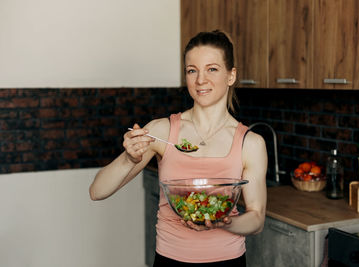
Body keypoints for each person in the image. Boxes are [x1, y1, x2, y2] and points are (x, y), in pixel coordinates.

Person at [89, 30, 267, 267]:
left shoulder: (251, 143)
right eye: (192, 70)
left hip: (228, 260)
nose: (200, 80)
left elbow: (256, 219)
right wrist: (129, 159)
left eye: (212, 69)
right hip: (170, 260)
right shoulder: (162, 131)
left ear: (231, 75)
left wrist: (224, 223)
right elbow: (97, 191)